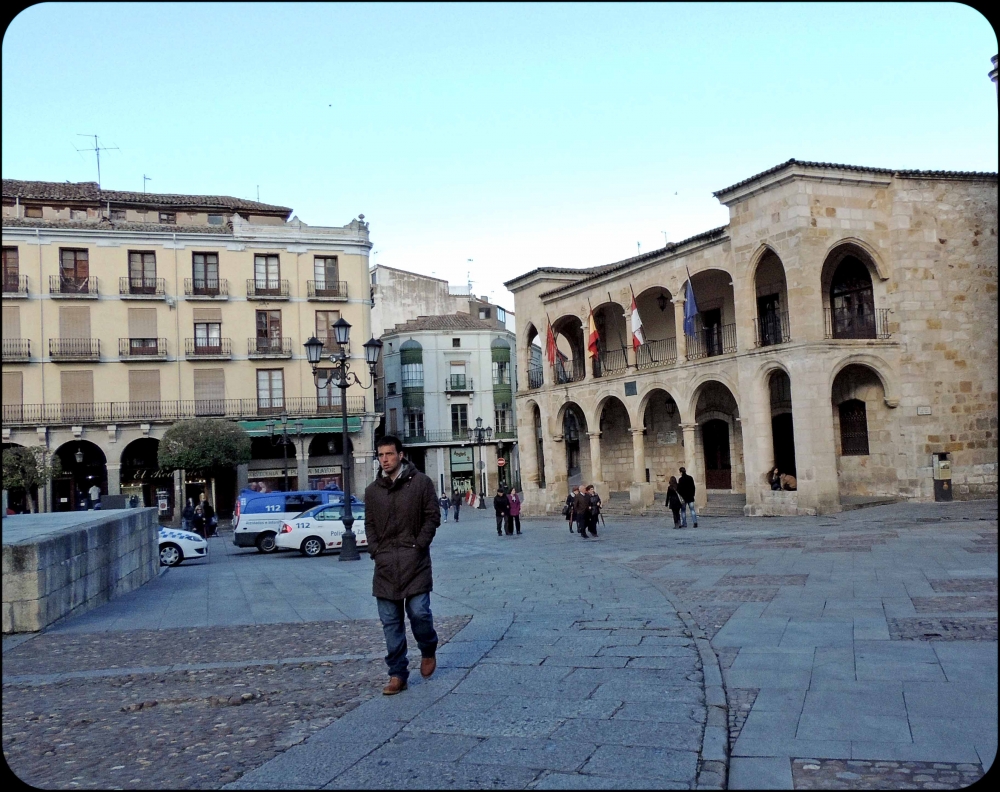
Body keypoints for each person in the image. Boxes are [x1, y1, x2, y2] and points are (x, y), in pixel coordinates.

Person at [364, 435, 440, 696]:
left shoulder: (421, 484)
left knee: (420, 612)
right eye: (380, 455)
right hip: (385, 566)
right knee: (390, 623)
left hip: (415, 562)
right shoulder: (373, 491)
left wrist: (420, 545)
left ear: (400, 454)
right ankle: (398, 674)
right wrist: (375, 550)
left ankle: (428, 648)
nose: (384, 459)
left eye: (389, 454)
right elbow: (369, 525)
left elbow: (433, 517)